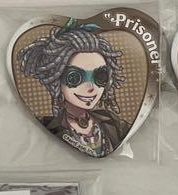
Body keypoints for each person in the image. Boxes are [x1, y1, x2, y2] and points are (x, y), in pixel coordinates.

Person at [17, 21, 129, 158]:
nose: (91, 87)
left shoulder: (115, 123)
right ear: (56, 79)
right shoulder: (43, 128)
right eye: (75, 77)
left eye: (100, 76)